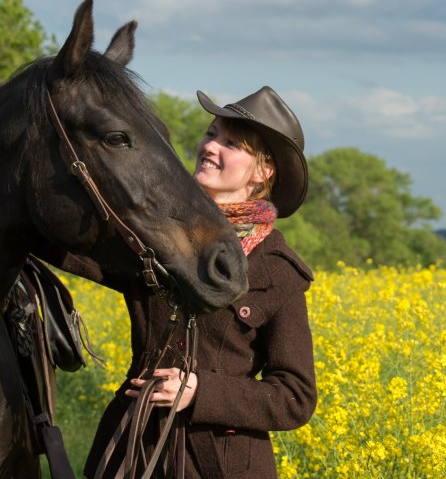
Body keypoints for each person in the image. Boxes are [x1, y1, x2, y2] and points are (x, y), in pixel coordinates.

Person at [81, 86, 317, 479]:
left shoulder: (277, 270)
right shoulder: (153, 234)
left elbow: (295, 397)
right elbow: (76, 250)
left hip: (221, 465)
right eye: (211, 134)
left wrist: (200, 391)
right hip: (129, 452)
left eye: (231, 143)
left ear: (263, 171)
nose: (211, 147)